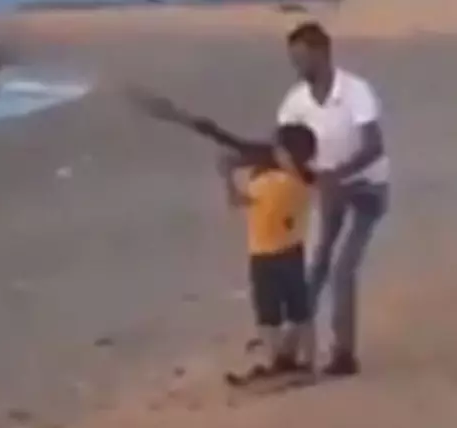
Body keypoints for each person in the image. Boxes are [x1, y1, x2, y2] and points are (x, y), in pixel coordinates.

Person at [127, 89, 318, 379]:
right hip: (275, 252)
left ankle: (293, 361)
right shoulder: (283, 172)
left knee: (287, 312)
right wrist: (232, 174)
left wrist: (237, 170)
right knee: (282, 312)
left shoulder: (290, 180)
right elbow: (237, 154)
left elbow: (259, 179)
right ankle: (290, 361)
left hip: (278, 253)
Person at [277, 21, 391, 377]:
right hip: (328, 191)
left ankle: (344, 355)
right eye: (293, 60)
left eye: (302, 59)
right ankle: (292, 351)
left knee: (342, 269)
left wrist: (337, 175)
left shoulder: (356, 91)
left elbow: (374, 146)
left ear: (322, 54)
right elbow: (283, 145)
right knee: (314, 267)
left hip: (366, 190)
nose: (298, 67)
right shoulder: (296, 101)